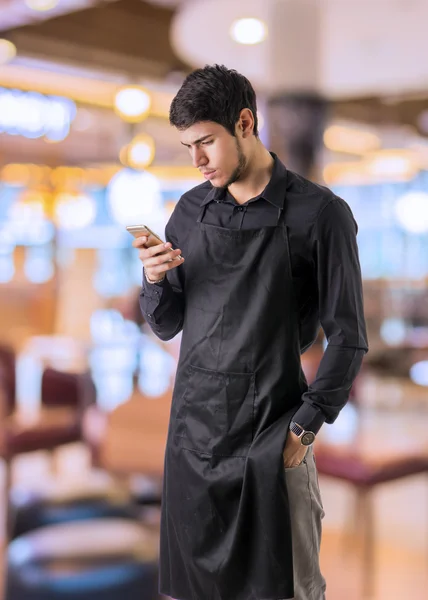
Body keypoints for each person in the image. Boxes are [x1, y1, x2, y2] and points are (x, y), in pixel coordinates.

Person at [135, 64, 368, 600]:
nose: (196, 161)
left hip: (272, 438)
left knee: (288, 588)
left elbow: (348, 336)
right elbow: (167, 324)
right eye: (187, 146)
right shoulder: (190, 211)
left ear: (244, 122)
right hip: (192, 441)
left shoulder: (321, 214)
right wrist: (154, 279)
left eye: (206, 143)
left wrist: (303, 430)